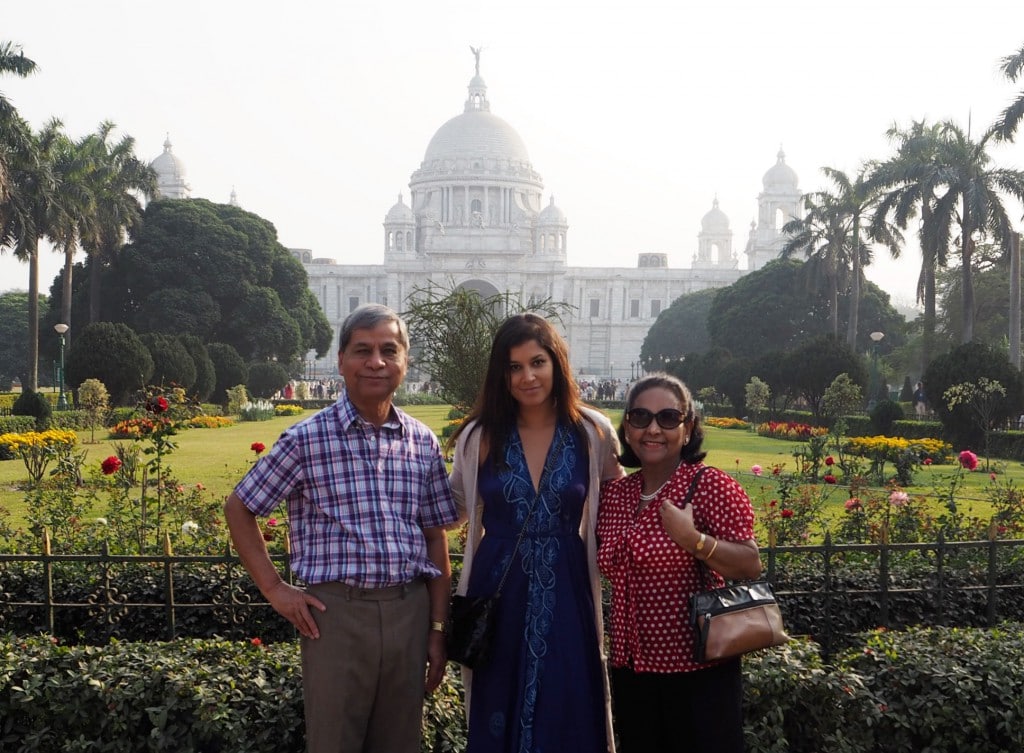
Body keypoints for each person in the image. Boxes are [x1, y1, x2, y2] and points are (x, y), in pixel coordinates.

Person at [224, 303, 459, 753]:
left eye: (389, 350)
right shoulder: (307, 439)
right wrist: (275, 589)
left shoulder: (420, 441)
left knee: (400, 742)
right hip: (336, 614)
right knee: (335, 742)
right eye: (362, 350)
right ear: (341, 361)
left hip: (408, 609)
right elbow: (240, 507)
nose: (376, 362)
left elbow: (434, 535)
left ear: (405, 361)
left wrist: (435, 628)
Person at [448, 313, 624, 753]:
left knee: (568, 697)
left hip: (568, 586)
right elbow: (450, 509)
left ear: (556, 364)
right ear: (500, 375)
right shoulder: (480, 436)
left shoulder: (592, 432)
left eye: (537, 362)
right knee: (497, 700)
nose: (527, 376)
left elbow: (622, 505)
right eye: (514, 367)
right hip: (498, 588)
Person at [596, 373, 762, 753]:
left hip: (697, 672)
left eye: (668, 418)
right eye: (640, 418)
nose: (653, 429)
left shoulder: (708, 486)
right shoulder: (617, 495)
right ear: (627, 428)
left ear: (687, 430)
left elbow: (750, 564)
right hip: (632, 669)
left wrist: (695, 541)